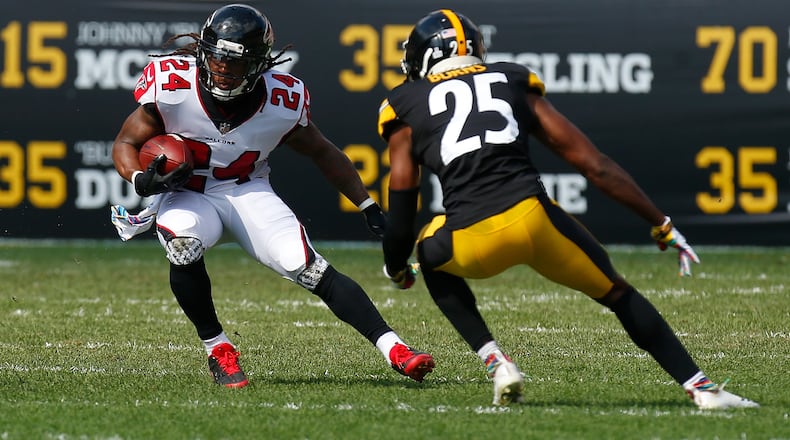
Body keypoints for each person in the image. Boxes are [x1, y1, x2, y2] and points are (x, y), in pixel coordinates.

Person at [377, 9, 758, 409]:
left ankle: (496, 361)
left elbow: (403, 200)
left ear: (425, 56)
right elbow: (594, 164)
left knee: (430, 253)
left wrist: (397, 265)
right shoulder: (510, 78)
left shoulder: (405, 103)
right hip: (537, 221)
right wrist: (659, 223)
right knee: (619, 294)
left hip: (471, 239)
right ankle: (702, 388)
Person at [110, 3, 434, 389]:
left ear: (260, 64)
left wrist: (366, 204)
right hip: (188, 193)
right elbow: (127, 142)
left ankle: (395, 349)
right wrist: (138, 178)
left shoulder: (282, 100)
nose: (222, 68)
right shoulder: (173, 85)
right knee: (183, 245)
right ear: (203, 51)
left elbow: (323, 151)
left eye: (236, 62)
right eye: (216, 57)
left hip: (246, 190)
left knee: (307, 266)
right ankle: (219, 349)